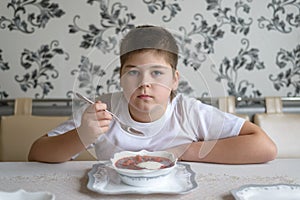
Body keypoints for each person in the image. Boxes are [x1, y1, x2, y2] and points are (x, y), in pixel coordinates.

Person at [28, 25, 277, 164]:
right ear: (120, 77)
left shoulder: (188, 112)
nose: (144, 83)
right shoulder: (103, 109)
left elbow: (264, 147)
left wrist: (187, 151)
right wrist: (82, 135)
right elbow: (37, 152)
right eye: (134, 73)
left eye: (157, 73)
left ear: (174, 80)